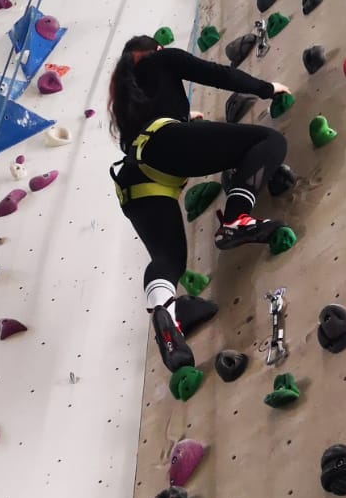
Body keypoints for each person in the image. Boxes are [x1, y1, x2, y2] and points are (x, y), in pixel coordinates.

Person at [109, 34, 291, 371]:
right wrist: (268, 88)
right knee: (269, 141)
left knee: (168, 260)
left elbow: (137, 137)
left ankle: (166, 309)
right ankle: (237, 218)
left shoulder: (125, 95)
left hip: (135, 183)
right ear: (155, 51)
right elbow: (217, 74)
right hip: (166, 146)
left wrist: (182, 117)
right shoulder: (162, 58)